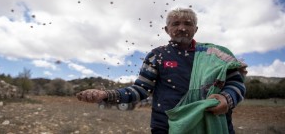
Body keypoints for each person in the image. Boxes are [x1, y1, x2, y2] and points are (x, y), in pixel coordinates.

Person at [76, 8, 247, 134]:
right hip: (166, 126)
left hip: (212, 124)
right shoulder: (157, 55)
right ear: (167, 30)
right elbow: (141, 89)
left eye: (188, 24)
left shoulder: (214, 55)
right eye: (175, 24)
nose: (182, 28)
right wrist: (106, 95)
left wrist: (227, 98)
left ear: (196, 29)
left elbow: (235, 83)